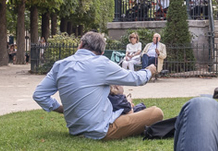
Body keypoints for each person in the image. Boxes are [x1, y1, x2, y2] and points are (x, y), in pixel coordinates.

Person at [33, 31, 164, 140]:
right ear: (101, 52)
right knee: (156, 112)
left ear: (81, 45)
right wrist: (150, 70)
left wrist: (63, 109)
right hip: (100, 130)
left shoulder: (60, 65)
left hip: (75, 129)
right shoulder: (101, 63)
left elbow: (39, 95)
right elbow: (136, 79)